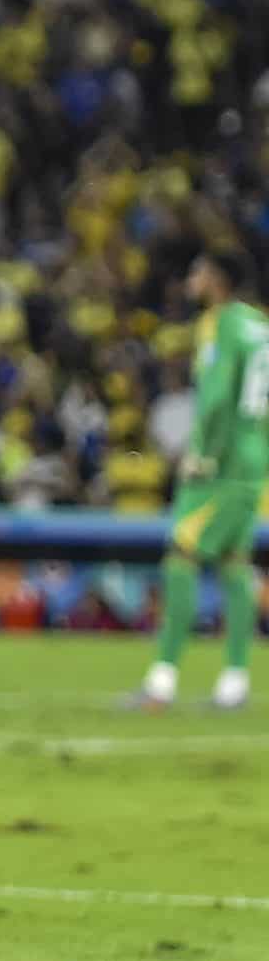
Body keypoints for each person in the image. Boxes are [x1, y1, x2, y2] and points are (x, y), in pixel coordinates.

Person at [135, 249, 269, 710]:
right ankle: (234, 681)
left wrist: (201, 455)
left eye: (197, 271)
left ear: (217, 280)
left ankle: (161, 682)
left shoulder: (219, 323)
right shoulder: (261, 327)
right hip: (256, 459)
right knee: (234, 563)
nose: (191, 278)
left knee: (181, 556)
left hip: (222, 464)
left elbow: (214, 396)